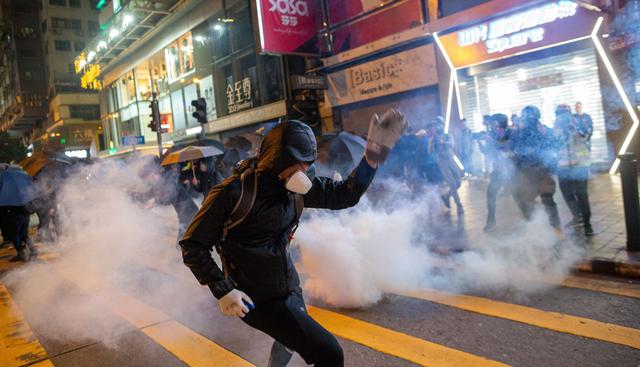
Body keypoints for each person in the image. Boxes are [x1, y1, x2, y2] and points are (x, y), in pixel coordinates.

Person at [179, 111, 407, 367]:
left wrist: (372, 157)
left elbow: (345, 195)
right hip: (255, 297)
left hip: (288, 287)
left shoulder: (296, 189)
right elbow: (192, 245)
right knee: (330, 354)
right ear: (277, 159)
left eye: (308, 164)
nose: (305, 170)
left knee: (288, 341)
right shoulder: (232, 193)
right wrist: (223, 289)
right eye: (299, 163)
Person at [511, 105, 561, 230]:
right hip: (526, 171)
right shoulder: (520, 132)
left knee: (546, 197)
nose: (529, 123)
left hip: (541, 169)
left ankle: (554, 227)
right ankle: (535, 224)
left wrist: (546, 134)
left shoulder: (544, 130)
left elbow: (556, 146)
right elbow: (514, 148)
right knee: (523, 198)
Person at [554, 104, 593, 236]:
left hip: (580, 166)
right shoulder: (556, 127)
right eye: (559, 114)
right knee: (567, 194)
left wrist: (573, 128)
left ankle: (588, 225)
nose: (561, 117)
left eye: (564, 114)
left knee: (582, 195)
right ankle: (577, 216)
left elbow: (585, 136)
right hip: (563, 167)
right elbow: (553, 144)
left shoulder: (578, 123)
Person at [477, 113, 514, 231]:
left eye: (494, 122)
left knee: (521, 199)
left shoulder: (510, 132)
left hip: (512, 170)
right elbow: (486, 151)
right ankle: (491, 221)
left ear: (500, 122)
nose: (492, 125)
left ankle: (533, 221)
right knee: (490, 195)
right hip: (498, 171)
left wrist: (490, 140)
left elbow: (506, 147)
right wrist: (479, 143)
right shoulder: (493, 134)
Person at [427, 117, 463, 213]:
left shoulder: (447, 135)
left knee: (458, 183)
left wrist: (443, 142)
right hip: (442, 162)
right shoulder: (433, 138)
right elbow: (429, 152)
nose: (438, 126)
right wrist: (430, 143)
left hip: (451, 160)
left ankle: (446, 196)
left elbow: (452, 144)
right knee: (452, 183)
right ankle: (459, 205)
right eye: (436, 125)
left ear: (442, 125)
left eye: (439, 124)